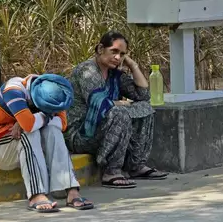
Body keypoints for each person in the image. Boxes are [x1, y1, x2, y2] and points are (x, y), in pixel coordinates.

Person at [65, 31, 168, 189]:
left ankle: (136, 165)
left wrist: (133, 66)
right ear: (100, 49)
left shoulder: (114, 74)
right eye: (114, 51)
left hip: (102, 128)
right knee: (119, 112)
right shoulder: (87, 70)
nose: (118, 58)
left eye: (122, 54)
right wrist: (120, 104)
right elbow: (98, 104)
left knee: (145, 108)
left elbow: (143, 95)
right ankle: (111, 171)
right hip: (81, 134)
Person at [0, 74, 93, 213]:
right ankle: (36, 194)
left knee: (53, 131)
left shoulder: (54, 90)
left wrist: (36, 118)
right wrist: (44, 117)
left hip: (24, 142)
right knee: (29, 133)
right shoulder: (13, 91)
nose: (53, 112)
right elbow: (28, 126)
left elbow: (62, 125)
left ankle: (71, 191)